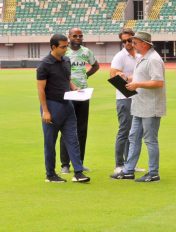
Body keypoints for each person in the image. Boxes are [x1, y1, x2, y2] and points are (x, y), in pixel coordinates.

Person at [110, 31, 166, 182]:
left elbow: (158, 82)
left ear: (144, 43)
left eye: (135, 42)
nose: (132, 45)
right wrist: (127, 78)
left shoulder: (153, 59)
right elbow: (141, 77)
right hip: (139, 105)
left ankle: (153, 172)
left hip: (150, 106)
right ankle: (129, 169)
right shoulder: (143, 58)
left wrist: (137, 84)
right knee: (133, 137)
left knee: (150, 140)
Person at [36, 34, 90, 183]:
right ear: (53, 47)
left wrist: (75, 88)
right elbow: (41, 89)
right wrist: (45, 111)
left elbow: (67, 79)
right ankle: (50, 174)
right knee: (50, 142)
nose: (66, 49)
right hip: (52, 107)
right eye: (63, 47)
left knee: (73, 140)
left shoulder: (66, 60)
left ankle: (78, 173)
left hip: (68, 105)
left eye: (66, 46)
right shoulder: (44, 65)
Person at [59, 28, 99, 174]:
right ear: (69, 37)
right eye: (74, 36)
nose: (78, 38)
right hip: (68, 93)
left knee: (82, 129)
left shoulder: (86, 52)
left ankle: (79, 163)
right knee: (66, 129)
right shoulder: (64, 52)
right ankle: (65, 164)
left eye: (80, 36)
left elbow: (96, 65)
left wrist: (86, 76)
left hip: (83, 93)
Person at [110, 28, 145, 174]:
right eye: (123, 41)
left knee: (134, 132)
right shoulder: (120, 56)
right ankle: (119, 164)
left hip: (137, 97)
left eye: (129, 40)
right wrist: (127, 78)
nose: (126, 43)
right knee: (124, 131)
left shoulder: (138, 55)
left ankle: (130, 163)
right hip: (124, 98)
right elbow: (113, 75)